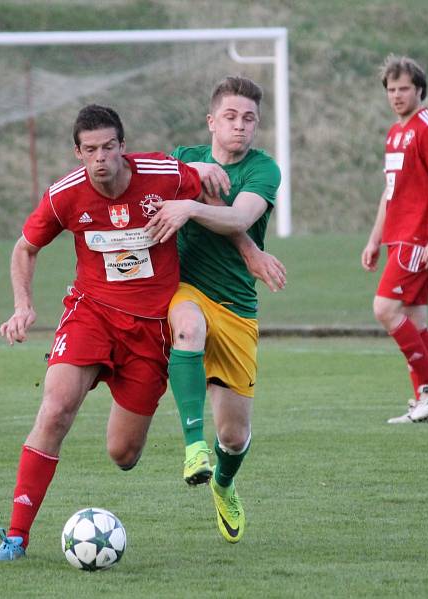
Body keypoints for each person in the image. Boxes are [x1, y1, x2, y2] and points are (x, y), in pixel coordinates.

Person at [0, 104, 203, 562]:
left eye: (108, 147)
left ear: (123, 147)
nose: (101, 157)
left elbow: (208, 196)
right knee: (56, 409)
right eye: (90, 150)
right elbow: (25, 248)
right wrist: (23, 305)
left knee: (123, 455)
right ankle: (16, 538)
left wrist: (243, 245)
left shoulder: (165, 175)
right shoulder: (65, 195)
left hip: (149, 330)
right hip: (92, 314)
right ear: (78, 153)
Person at [145, 76, 283, 543]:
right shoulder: (184, 159)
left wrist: (191, 206)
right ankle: (192, 448)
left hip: (238, 306)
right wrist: (185, 189)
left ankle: (223, 484)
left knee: (236, 436)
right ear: (211, 121)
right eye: (230, 117)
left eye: (249, 119)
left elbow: (239, 217)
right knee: (186, 326)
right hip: (186, 288)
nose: (240, 127)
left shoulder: (265, 169)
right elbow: (139, 180)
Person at [361, 55, 428, 424]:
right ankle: (426, 404)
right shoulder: (395, 132)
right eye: (391, 89)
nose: (397, 95)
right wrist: (373, 240)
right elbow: (390, 192)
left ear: (419, 89)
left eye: (404, 88)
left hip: (419, 237)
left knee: (384, 309)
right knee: (414, 319)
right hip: (399, 236)